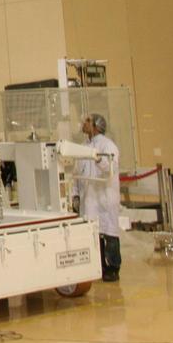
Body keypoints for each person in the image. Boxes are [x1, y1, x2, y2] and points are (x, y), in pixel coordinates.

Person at [71, 112, 122, 281]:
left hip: (105, 198)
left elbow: (109, 168)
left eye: (87, 121)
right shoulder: (82, 146)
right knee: (94, 234)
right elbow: (77, 173)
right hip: (89, 199)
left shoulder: (108, 146)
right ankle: (98, 267)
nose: (83, 124)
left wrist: (97, 159)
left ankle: (113, 268)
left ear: (95, 126)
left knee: (109, 232)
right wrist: (75, 195)